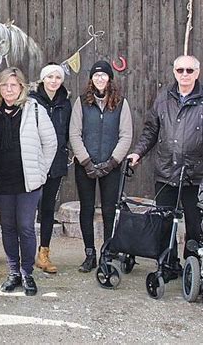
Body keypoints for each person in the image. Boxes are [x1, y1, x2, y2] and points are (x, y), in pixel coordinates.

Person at [0, 67, 57, 295]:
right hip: (3, 181)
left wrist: (41, 171)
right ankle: (13, 271)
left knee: (25, 227)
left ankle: (27, 273)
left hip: (28, 182)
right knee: (7, 228)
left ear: (22, 87)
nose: (9, 89)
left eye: (13, 85)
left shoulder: (34, 110)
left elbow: (51, 143)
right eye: (4, 85)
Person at [128, 55, 202, 271]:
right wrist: (138, 153)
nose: (185, 75)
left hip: (195, 175)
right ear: (174, 72)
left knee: (194, 225)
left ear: (197, 73)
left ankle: (193, 266)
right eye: (180, 70)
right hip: (166, 172)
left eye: (190, 70)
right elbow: (151, 130)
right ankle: (168, 264)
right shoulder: (164, 99)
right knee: (164, 221)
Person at [69, 61, 132, 272]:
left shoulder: (121, 104)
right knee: (86, 209)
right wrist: (86, 161)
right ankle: (90, 254)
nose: (100, 79)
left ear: (109, 78)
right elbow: (74, 133)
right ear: (91, 79)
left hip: (111, 166)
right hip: (85, 165)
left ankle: (107, 252)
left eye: (103, 75)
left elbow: (126, 135)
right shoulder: (81, 102)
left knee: (109, 210)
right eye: (96, 76)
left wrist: (112, 162)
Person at [29, 63, 72, 274]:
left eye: (58, 77)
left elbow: (69, 131)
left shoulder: (66, 104)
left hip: (55, 162)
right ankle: (25, 252)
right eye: (50, 77)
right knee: (28, 208)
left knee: (47, 209)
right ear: (42, 79)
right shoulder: (31, 102)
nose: (54, 81)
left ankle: (43, 252)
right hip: (33, 162)